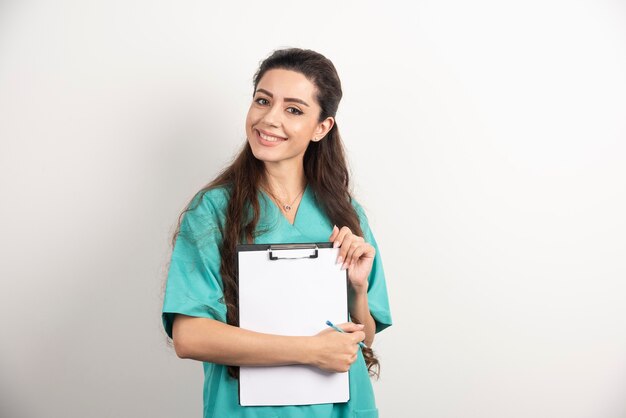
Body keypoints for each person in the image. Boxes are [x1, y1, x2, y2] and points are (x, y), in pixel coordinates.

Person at [162, 48, 392, 418]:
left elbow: (361, 336)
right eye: (262, 101)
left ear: (322, 128)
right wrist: (309, 350)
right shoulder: (214, 211)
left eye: (293, 109)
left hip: (344, 409)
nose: (268, 119)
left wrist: (359, 288)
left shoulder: (347, 214)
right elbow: (189, 337)